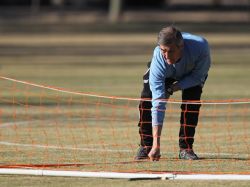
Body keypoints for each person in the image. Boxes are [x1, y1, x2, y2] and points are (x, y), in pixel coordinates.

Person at [135, 26, 211, 161]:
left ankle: (186, 149)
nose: (166, 56)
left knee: (192, 103)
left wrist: (173, 88)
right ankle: (146, 146)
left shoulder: (201, 48)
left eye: (170, 51)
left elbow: (197, 77)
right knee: (147, 99)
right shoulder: (159, 58)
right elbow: (158, 103)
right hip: (167, 73)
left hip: (191, 74)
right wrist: (156, 145)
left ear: (181, 46)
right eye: (163, 50)